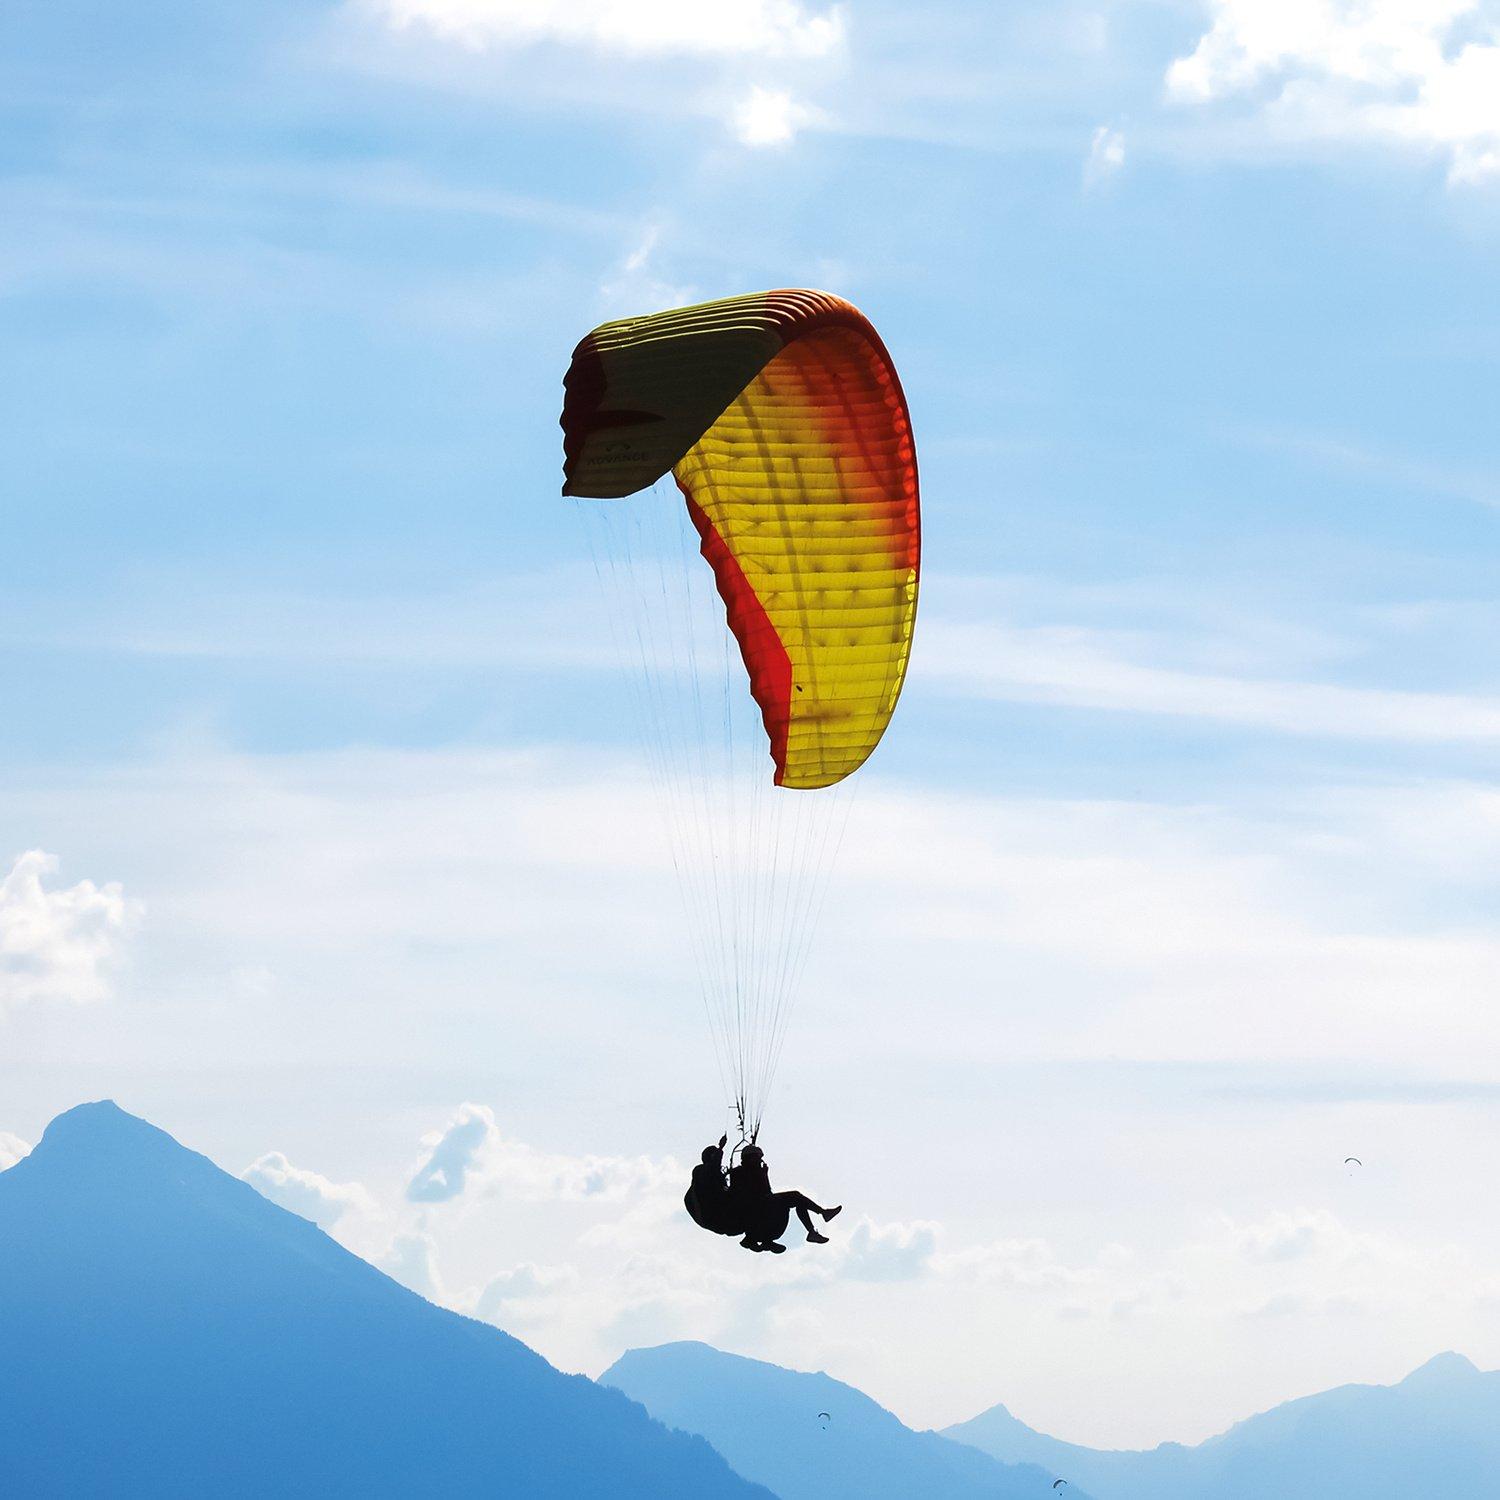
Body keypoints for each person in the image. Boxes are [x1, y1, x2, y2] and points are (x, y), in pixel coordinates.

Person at [728, 1144, 840, 1253]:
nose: (760, 1161)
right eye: (757, 1158)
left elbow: (766, 1191)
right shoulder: (739, 1172)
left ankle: (812, 1231)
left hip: (763, 1204)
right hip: (757, 1206)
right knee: (795, 1195)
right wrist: (762, 1175)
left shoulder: (753, 1171)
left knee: (799, 1202)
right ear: (750, 1158)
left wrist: (764, 1175)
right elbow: (754, 1193)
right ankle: (822, 1213)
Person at [683, 1135, 743, 1237]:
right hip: (713, 1217)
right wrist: (720, 1148)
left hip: (713, 1218)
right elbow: (712, 1167)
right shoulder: (701, 1171)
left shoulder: (710, 1177)